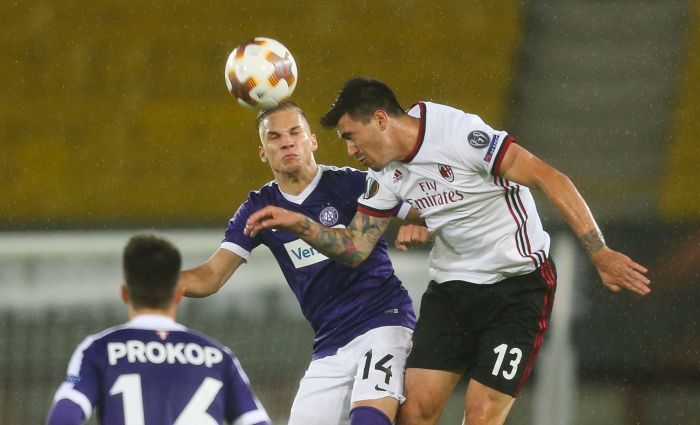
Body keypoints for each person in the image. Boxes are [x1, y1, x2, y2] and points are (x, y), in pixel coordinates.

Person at [243, 78, 652, 425]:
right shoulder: (385, 175)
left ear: (381, 120)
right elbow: (355, 248)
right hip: (452, 293)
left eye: (350, 136)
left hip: (517, 290)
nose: (350, 151)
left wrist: (598, 251)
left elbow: (549, 177)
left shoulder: (458, 134)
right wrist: (301, 224)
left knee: (480, 415)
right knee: (413, 412)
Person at [181, 100, 416, 425]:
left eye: (295, 132)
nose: (287, 142)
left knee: (369, 420)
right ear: (263, 153)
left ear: (312, 140)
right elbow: (211, 275)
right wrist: (156, 282)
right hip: (330, 341)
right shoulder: (258, 207)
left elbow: (422, 208)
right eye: (275, 137)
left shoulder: (351, 184)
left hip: (383, 322)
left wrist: (422, 224)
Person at [46, 234, 271, 425]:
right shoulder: (219, 358)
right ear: (179, 294)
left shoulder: (99, 350)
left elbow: (63, 417)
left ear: (125, 293)